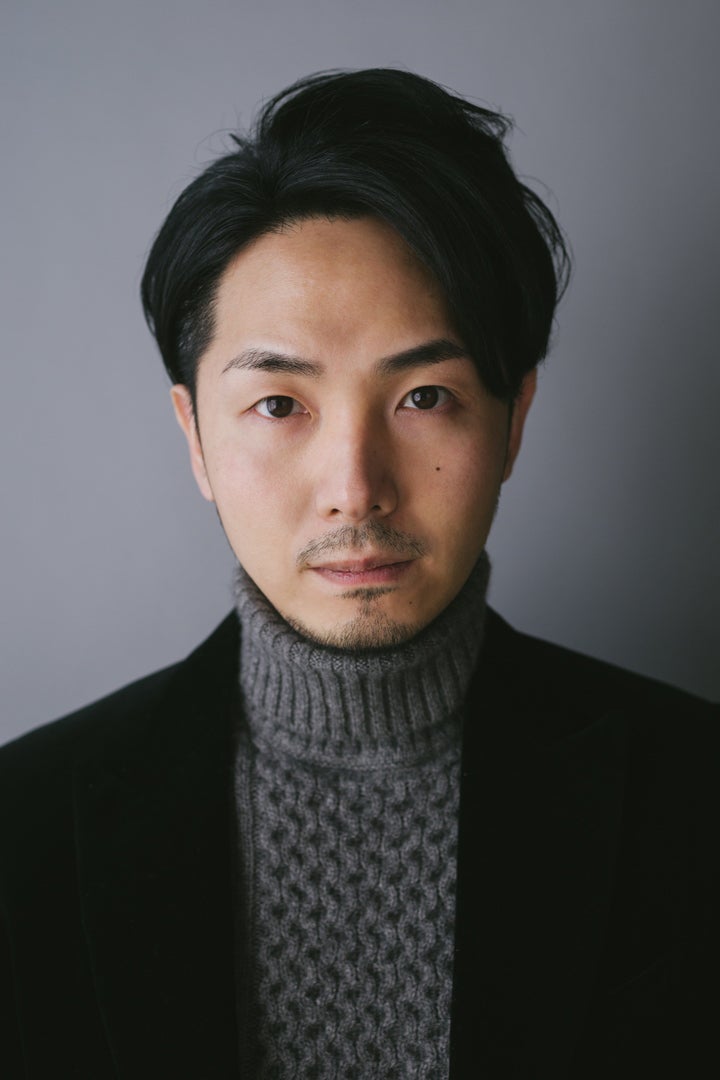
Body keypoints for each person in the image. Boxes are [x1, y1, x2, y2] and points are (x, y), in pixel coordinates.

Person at [1, 68, 717, 1080]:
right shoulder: (25, 826)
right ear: (195, 436)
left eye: (424, 396)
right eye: (279, 405)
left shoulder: (692, 802)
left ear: (513, 420)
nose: (355, 489)